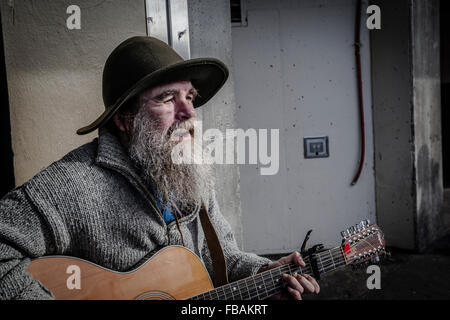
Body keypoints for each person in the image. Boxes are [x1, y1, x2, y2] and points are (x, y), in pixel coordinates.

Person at [0, 36, 319, 300]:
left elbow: (219, 256)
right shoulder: (76, 182)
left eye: (190, 97)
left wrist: (263, 273)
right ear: (125, 119)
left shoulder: (191, 172)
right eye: (167, 98)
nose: (188, 113)